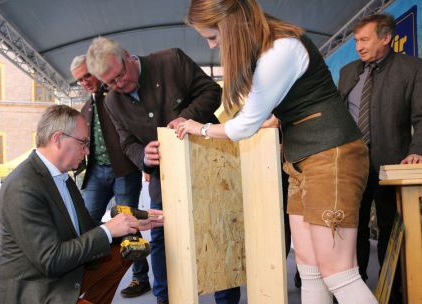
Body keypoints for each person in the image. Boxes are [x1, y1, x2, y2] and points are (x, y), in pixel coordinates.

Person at [179, 1, 377, 303]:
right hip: (302, 160)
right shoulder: (269, 50)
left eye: (213, 37)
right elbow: (271, 114)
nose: (212, 45)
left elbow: (244, 126)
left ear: (230, 25)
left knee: (339, 273)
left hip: (331, 155)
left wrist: (200, 128)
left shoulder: (279, 50)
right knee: (309, 270)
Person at [86, 37, 241, 304]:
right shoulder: (111, 102)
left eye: (120, 75)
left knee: (219, 232)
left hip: (209, 165)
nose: (119, 85)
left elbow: (212, 92)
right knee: (162, 239)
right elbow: (127, 143)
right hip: (164, 179)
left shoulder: (171, 60)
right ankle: (165, 298)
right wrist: (144, 157)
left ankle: (226, 300)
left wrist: (188, 118)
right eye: (110, 83)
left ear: (126, 55)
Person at [0, 104, 163, 304]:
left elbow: (86, 230)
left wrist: (131, 224)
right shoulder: (22, 186)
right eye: (83, 142)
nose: (88, 150)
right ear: (57, 139)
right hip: (32, 290)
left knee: (122, 253)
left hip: (58, 276)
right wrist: (108, 230)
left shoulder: (62, 178)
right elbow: (51, 260)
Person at [338, 14, 422, 301]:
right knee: (352, 228)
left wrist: (417, 150)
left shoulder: (412, 69)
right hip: (350, 165)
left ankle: (394, 290)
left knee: (390, 228)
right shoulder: (349, 72)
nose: (358, 47)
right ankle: (354, 287)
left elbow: (421, 117)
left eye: (364, 40)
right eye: (356, 41)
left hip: (391, 162)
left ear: (386, 38)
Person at [70, 54, 151, 298]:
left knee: (129, 222)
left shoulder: (119, 96)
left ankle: (140, 277)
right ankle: (86, 276)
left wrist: (144, 163)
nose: (84, 82)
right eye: (79, 80)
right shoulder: (85, 107)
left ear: (97, 71)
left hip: (123, 170)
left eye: (87, 75)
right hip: (95, 173)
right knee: (87, 223)